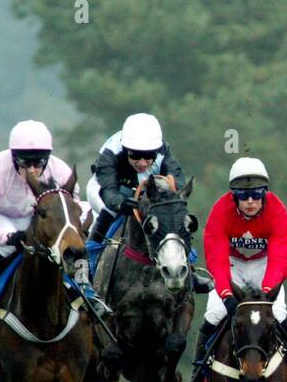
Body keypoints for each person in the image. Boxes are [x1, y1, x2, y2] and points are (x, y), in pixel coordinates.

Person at [0, 120, 112, 336]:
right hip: (6, 219)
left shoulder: (60, 170)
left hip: (45, 219)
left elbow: (73, 209)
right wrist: (7, 237)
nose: (32, 170)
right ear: (13, 156)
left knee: (74, 242)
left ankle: (87, 291)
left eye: (38, 162)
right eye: (25, 163)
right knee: (6, 249)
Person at [191, 157, 287, 382]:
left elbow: (280, 259)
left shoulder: (278, 211)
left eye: (256, 195)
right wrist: (226, 295)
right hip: (232, 266)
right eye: (243, 196)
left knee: (279, 313)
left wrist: (268, 293)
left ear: (265, 193)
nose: (250, 202)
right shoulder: (220, 212)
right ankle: (197, 376)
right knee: (214, 313)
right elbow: (217, 260)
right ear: (234, 196)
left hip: (265, 266)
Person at [85, 112, 212, 291]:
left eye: (148, 156)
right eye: (136, 156)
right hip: (106, 188)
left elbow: (177, 181)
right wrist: (120, 202)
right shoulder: (110, 153)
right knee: (112, 212)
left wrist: (169, 199)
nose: (143, 162)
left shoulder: (163, 149)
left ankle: (189, 269)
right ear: (126, 148)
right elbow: (108, 191)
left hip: (147, 188)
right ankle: (87, 267)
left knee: (172, 214)